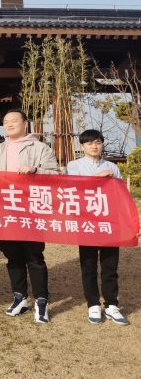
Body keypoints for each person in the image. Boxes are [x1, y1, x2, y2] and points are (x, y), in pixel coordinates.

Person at [0, 108, 58, 324]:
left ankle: (41, 300)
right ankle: (20, 297)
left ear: (25, 123)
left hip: (31, 210)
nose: (9, 124)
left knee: (34, 256)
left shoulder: (40, 148)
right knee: (12, 255)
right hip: (6, 210)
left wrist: (35, 170)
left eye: (14, 120)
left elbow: (55, 175)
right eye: (5, 121)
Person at [66, 129, 129, 325]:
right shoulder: (74, 166)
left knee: (110, 266)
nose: (94, 146)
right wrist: (97, 178)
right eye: (89, 143)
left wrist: (128, 221)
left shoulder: (112, 167)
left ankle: (111, 305)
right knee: (88, 265)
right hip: (86, 222)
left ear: (102, 144)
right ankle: (93, 303)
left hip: (109, 222)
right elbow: (73, 190)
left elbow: (121, 195)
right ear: (82, 146)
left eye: (98, 142)